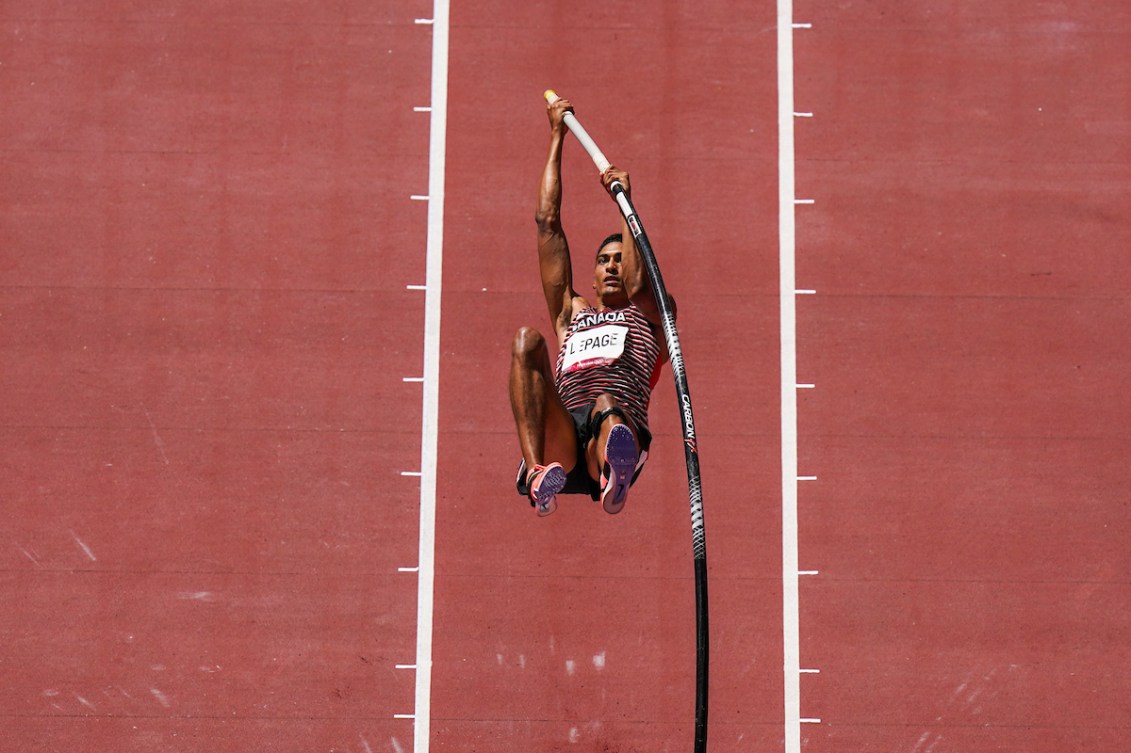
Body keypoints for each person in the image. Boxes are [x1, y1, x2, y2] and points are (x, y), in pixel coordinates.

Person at [510, 96, 673, 517]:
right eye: (604, 260)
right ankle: (535, 475)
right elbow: (547, 222)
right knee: (527, 342)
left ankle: (613, 479)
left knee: (605, 403)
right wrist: (555, 137)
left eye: (620, 257)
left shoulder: (652, 316)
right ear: (594, 275)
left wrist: (626, 205)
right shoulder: (572, 315)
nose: (613, 265)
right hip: (566, 435)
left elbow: (639, 286)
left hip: (615, 431)